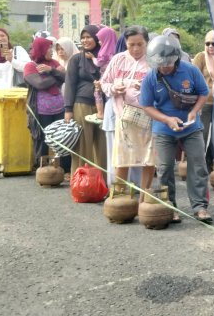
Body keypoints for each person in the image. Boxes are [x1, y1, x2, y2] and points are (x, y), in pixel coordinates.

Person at [140, 35, 213, 223]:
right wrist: (166, 119)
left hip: (191, 127)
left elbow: (204, 93)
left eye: (168, 63)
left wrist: (194, 112)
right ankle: (169, 207)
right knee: (164, 168)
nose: (164, 67)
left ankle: (199, 206)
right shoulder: (150, 78)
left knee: (198, 165)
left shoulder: (190, 70)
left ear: (177, 58)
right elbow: (147, 106)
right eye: (160, 64)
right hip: (164, 129)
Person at [102, 26, 156, 192]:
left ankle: (144, 195)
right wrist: (114, 88)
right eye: (131, 44)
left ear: (147, 42)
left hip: (149, 118)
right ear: (125, 43)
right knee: (122, 157)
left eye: (140, 44)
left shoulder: (154, 61)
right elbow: (104, 82)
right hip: (123, 117)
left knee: (149, 158)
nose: (135, 49)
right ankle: (119, 195)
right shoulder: (118, 59)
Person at [63, 25, 107, 177]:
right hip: (82, 104)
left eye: (89, 37)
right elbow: (69, 84)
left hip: (104, 106)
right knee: (82, 145)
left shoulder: (106, 58)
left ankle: (102, 182)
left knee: (103, 146)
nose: (85, 40)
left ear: (97, 38)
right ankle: (81, 183)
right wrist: (68, 109)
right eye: (83, 37)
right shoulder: (76, 59)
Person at [23, 38, 67, 169]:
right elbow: (40, 84)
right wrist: (56, 74)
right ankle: (42, 170)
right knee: (42, 139)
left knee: (61, 139)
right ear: (40, 49)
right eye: (48, 48)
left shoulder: (53, 63)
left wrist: (51, 71)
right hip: (41, 111)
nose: (51, 51)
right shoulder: (30, 66)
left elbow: (65, 78)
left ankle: (62, 169)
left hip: (59, 108)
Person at [192, 30, 214, 172]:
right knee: (202, 135)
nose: (210, 46)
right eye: (207, 43)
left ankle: (212, 162)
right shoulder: (200, 57)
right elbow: (193, 79)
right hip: (204, 103)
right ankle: (198, 166)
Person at [90, 26, 117, 124]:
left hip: (105, 77)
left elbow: (98, 63)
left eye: (101, 40)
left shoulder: (104, 52)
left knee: (97, 92)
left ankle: (100, 113)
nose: (99, 42)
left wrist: (93, 58)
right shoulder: (116, 51)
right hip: (114, 79)